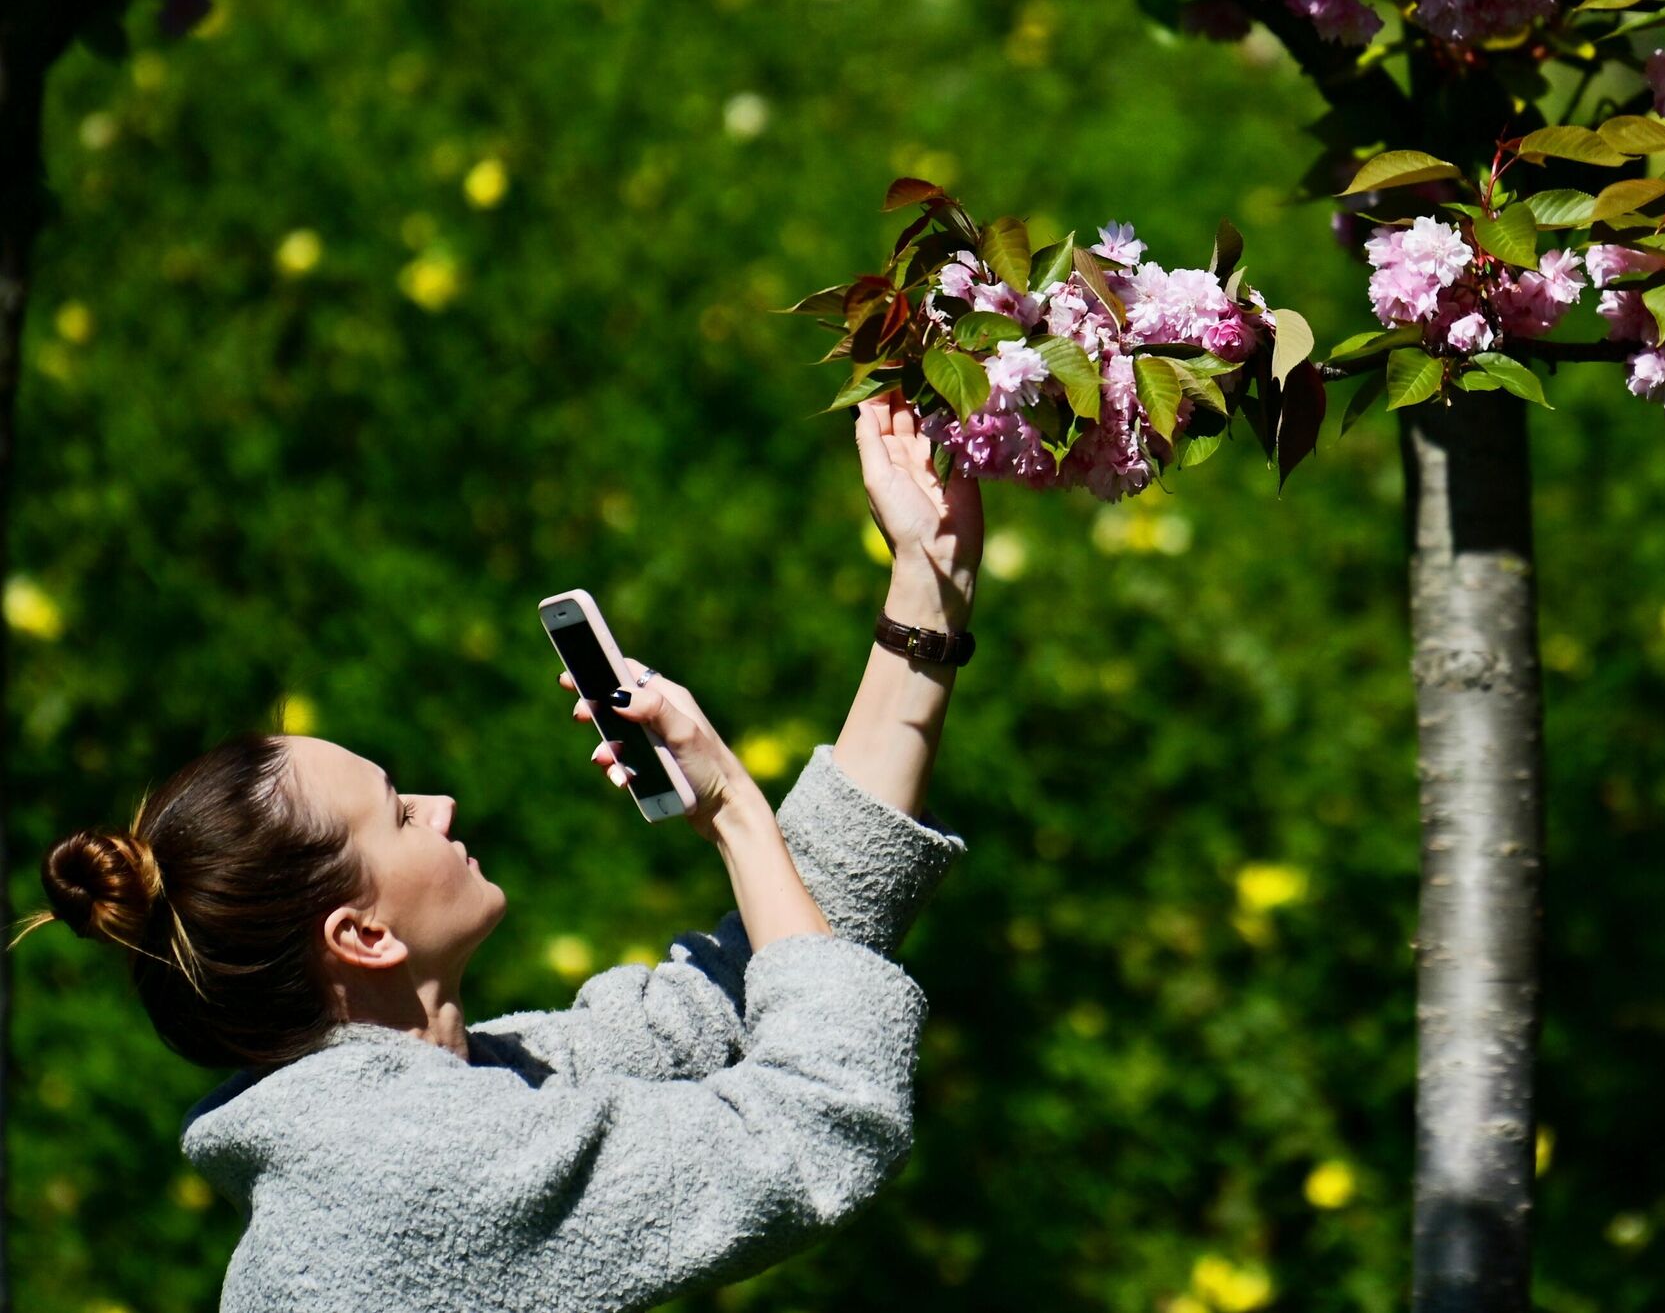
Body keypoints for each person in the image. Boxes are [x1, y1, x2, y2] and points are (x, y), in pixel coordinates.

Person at [11, 394, 983, 1312]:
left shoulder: (448, 1097)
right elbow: (820, 1121)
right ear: (361, 933)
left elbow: (741, 998)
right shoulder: (416, 1176)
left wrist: (925, 600)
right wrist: (730, 810)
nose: (440, 806)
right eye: (397, 815)